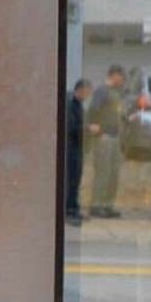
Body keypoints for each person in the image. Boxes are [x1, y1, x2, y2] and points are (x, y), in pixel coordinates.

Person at [84, 66, 130, 218]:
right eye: (121, 76)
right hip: (103, 137)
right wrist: (94, 126)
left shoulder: (117, 94)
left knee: (113, 173)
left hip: (115, 138)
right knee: (103, 172)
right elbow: (93, 110)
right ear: (113, 75)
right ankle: (96, 205)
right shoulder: (102, 91)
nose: (122, 79)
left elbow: (118, 114)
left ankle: (108, 204)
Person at [63, 78, 90, 224]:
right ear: (80, 89)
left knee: (76, 179)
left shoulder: (79, 104)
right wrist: (86, 129)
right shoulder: (69, 103)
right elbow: (71, 127)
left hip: (78, 147)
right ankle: (68, 210)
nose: (87, 95)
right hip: (70, 148)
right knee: (70, 179)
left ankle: (74, 208)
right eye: (86, 92)